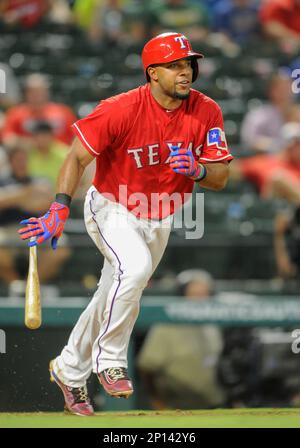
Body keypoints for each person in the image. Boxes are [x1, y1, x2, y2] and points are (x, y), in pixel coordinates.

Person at [18, 32, 233, 416]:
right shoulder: (119, 109)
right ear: (152, 73)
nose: (185, 73)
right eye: (175, 65)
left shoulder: (206, 111)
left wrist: (199, 169)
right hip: (113, 207)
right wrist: (59, 208)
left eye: (189, 64)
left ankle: (68, 369)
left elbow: (220, 178)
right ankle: (110, 360)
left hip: (161, 213)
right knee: (133, 271)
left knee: (113, 293)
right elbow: (76, 158)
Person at [137, 269, 225, 410]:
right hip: (176, 407)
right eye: (195, 295)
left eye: (204, 294)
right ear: (182, 295)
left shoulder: (212, 325)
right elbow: (147, 369)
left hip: (213, 405)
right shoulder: (166, 326)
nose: (200, 300)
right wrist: (157, 402)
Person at [0, 147, 70, 288]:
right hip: (8, 229)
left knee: (61, 246)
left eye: (24, 159)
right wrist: (27, 193)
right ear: (10, 161)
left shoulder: (40, 180)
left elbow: (45, 204)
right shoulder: (3, 180)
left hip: (38, 227)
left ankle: (32, 286)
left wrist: (13, 199)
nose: (21, 163)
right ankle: (15, 286)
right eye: (17, 159)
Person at [2, 73, 77, 149]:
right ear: (26, 93)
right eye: (32, 92)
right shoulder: (16, 113)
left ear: (47, 92)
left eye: (40, 91)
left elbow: (77, 138)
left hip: (61, 157)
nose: (37, 95)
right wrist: (33, 143)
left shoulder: (63, 112)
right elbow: (7, 139)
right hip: (28, 158)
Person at [240, 72, 294, 153]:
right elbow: (249, 140)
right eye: (280, 88)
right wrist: (277, 146)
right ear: (271, 91)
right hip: (266, 159)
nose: (285, 92)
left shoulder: (297, 112)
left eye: (287, 88)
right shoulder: (258, 115)